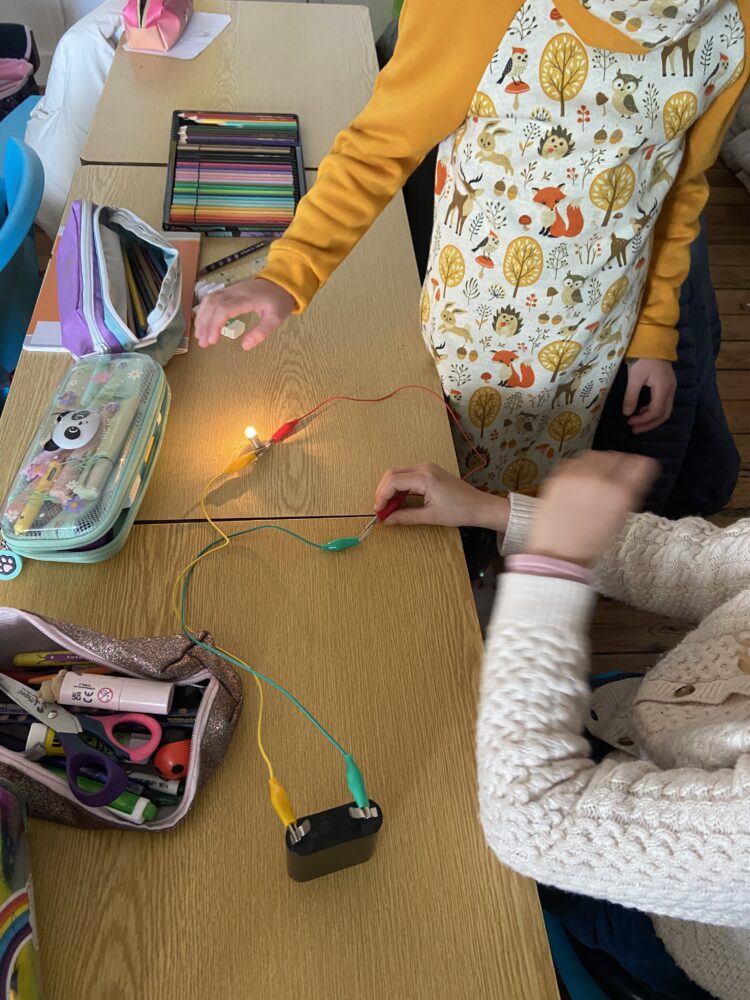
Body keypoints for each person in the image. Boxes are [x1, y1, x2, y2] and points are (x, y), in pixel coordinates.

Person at [195, 0, 748, 497]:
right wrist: (288, 272)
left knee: (532, 497)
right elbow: (378, 148)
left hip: (598, 338)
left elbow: (680, 189)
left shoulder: (735, 20)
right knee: (442, 488)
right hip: (474, 335)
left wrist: (653, 334)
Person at [372, 453, 750, 999]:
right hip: (630, 730)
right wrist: (499, 513)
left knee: (424, 858)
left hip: (670, 922)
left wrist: (551, 570)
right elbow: (705, 564)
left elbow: (535, 820)